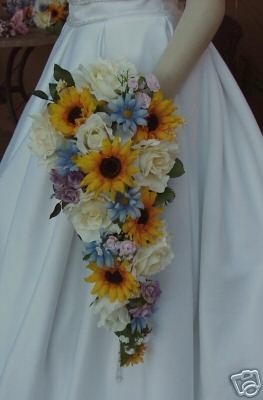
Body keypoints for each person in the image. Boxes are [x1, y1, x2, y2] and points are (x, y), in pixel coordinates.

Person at [0, 0, 263, 399]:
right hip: (79, 65)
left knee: (166, 226)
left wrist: (143, 103)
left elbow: (207, 6)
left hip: (162, 65)